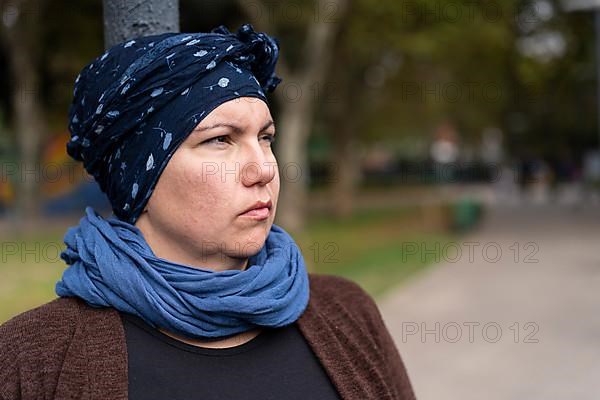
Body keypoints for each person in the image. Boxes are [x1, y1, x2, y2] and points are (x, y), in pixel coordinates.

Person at [0, 24, 416, 400]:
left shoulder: (347, 313)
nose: (263, 169)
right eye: (220, 140)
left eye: (265, 137)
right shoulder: (34, 358)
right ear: (139, 175)